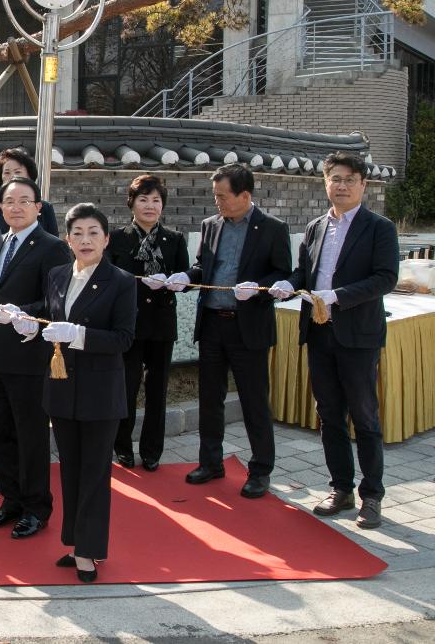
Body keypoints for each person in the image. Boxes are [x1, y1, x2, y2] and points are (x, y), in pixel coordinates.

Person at [270, 152, 398, 529]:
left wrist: (337, 295)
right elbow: (305, 273)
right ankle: (340, 488)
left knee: (365, 416)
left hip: (357, 335)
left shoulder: (379, 228)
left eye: (348, 179)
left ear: (363, 184)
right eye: (334, 179)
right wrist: (288, 286)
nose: (340, 186)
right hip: (320, 333)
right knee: (329, 415)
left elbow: (385, 278)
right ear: (325, 183)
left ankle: (371, 495)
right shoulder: (314, 227)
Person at [23, 203, 136, 583]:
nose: (85, 240)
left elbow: (123, 338)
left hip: (100, 393)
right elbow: (46, 312)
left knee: (94, 472)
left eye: (93, 233)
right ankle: (74, 542)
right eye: (77, 233)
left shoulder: (121, 281)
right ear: (67, 238)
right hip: (61, 387)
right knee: (70, 469)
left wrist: (79, 335)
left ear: (106, 238)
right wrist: (24, 321)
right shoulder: (57, 274)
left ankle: (89, 549)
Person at [166, 163, 291, 499]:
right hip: (212, 323)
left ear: (245, 195)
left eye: (223, 196)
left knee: (254, 401)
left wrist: (260, 288)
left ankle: (261, 469)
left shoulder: (272, 229)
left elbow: (284, 275)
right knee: (210, 397)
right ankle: (211, 461)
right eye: (215, 196)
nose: (217, 202)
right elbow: (202, 266)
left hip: (248, 326)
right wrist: (185, 278)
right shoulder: (210, 226)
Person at [0, 176, 71, 538]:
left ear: (38, 207)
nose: (15, 207)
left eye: (24, 201)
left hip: (28, 355)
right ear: (0, 207)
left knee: (30, 435)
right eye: (9, 201)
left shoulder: (51, 247)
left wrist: (25, 315)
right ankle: (11, 499)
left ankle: (37, 506)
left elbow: (57, 301)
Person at [107, 175, 190, 472]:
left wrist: (180, 281)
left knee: (157, 390)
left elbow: (188, 278)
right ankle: (122, 446)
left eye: (156, 200)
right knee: (126, 387)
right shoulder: (116, 238)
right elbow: (106, 280)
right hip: (128, 325)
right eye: (143, 199)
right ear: (132, 203)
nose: (150, 205)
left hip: (161, 324)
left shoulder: (174, 239)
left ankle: (152, 449)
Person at [0, 148, 59, 236]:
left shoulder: (45, 208)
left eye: (17, 172)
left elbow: (54, 242)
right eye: (7, 173)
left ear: (29, 175)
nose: (12, 177)